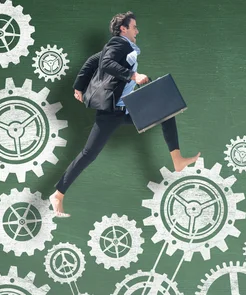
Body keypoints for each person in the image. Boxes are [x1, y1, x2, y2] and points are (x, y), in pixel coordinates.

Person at [49, 11, 200, 217]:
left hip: (124, 108)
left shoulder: (122, 47)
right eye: (134, 27)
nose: (137, 30)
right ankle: (58, 194)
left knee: (166, 111)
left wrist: (79, 86)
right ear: (123, 29)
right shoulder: (119, 44)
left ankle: (177, 159)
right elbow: (106, 64)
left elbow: (94, 61)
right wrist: (134, 75)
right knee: (89, 154)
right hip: (112, 112)